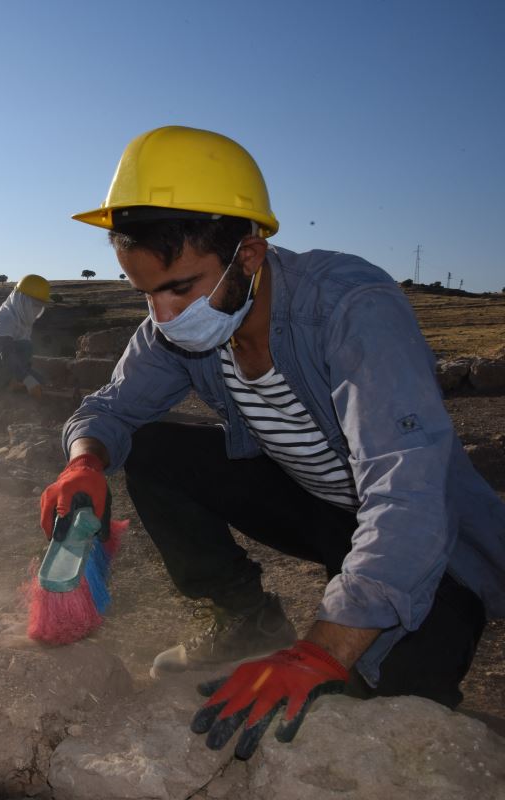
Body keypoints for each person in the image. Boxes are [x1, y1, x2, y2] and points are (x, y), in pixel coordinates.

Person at [41, 125, 504, 760]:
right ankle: (244, 620)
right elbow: (112, 408)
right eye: (146, 292)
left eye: (181, 286)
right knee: (151, 448)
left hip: (430, 541)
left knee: (382, 709)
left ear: (250, 256)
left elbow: (409, 493)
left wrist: (321, 651)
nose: (165, 316)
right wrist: (84, 462)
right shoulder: (177, 329)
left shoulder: (351, 306)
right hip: (312, 505)